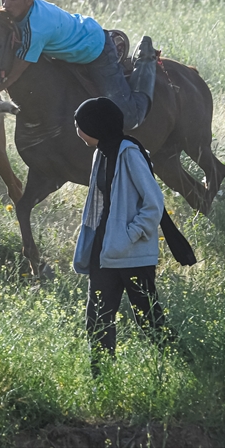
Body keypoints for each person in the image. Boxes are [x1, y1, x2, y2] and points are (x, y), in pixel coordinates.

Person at [72, 97, 170, 376]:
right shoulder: (101, 152)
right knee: (97, 321)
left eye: (80, 125)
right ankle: (102, 382)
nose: (76, 130)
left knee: (149, 320)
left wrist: (129, 236)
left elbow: (154, 203)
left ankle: (190, 370)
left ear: (95, 126)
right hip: (104, 255)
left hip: (132, 255)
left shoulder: (129, 153)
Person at [0, 0, 157, 131]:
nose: (5, 4)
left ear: (29, 0)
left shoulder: (36, 29)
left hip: (95, 49)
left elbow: (14, 74)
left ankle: (145, 61)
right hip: (70, 47)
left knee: (128, 118)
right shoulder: (22, 12)